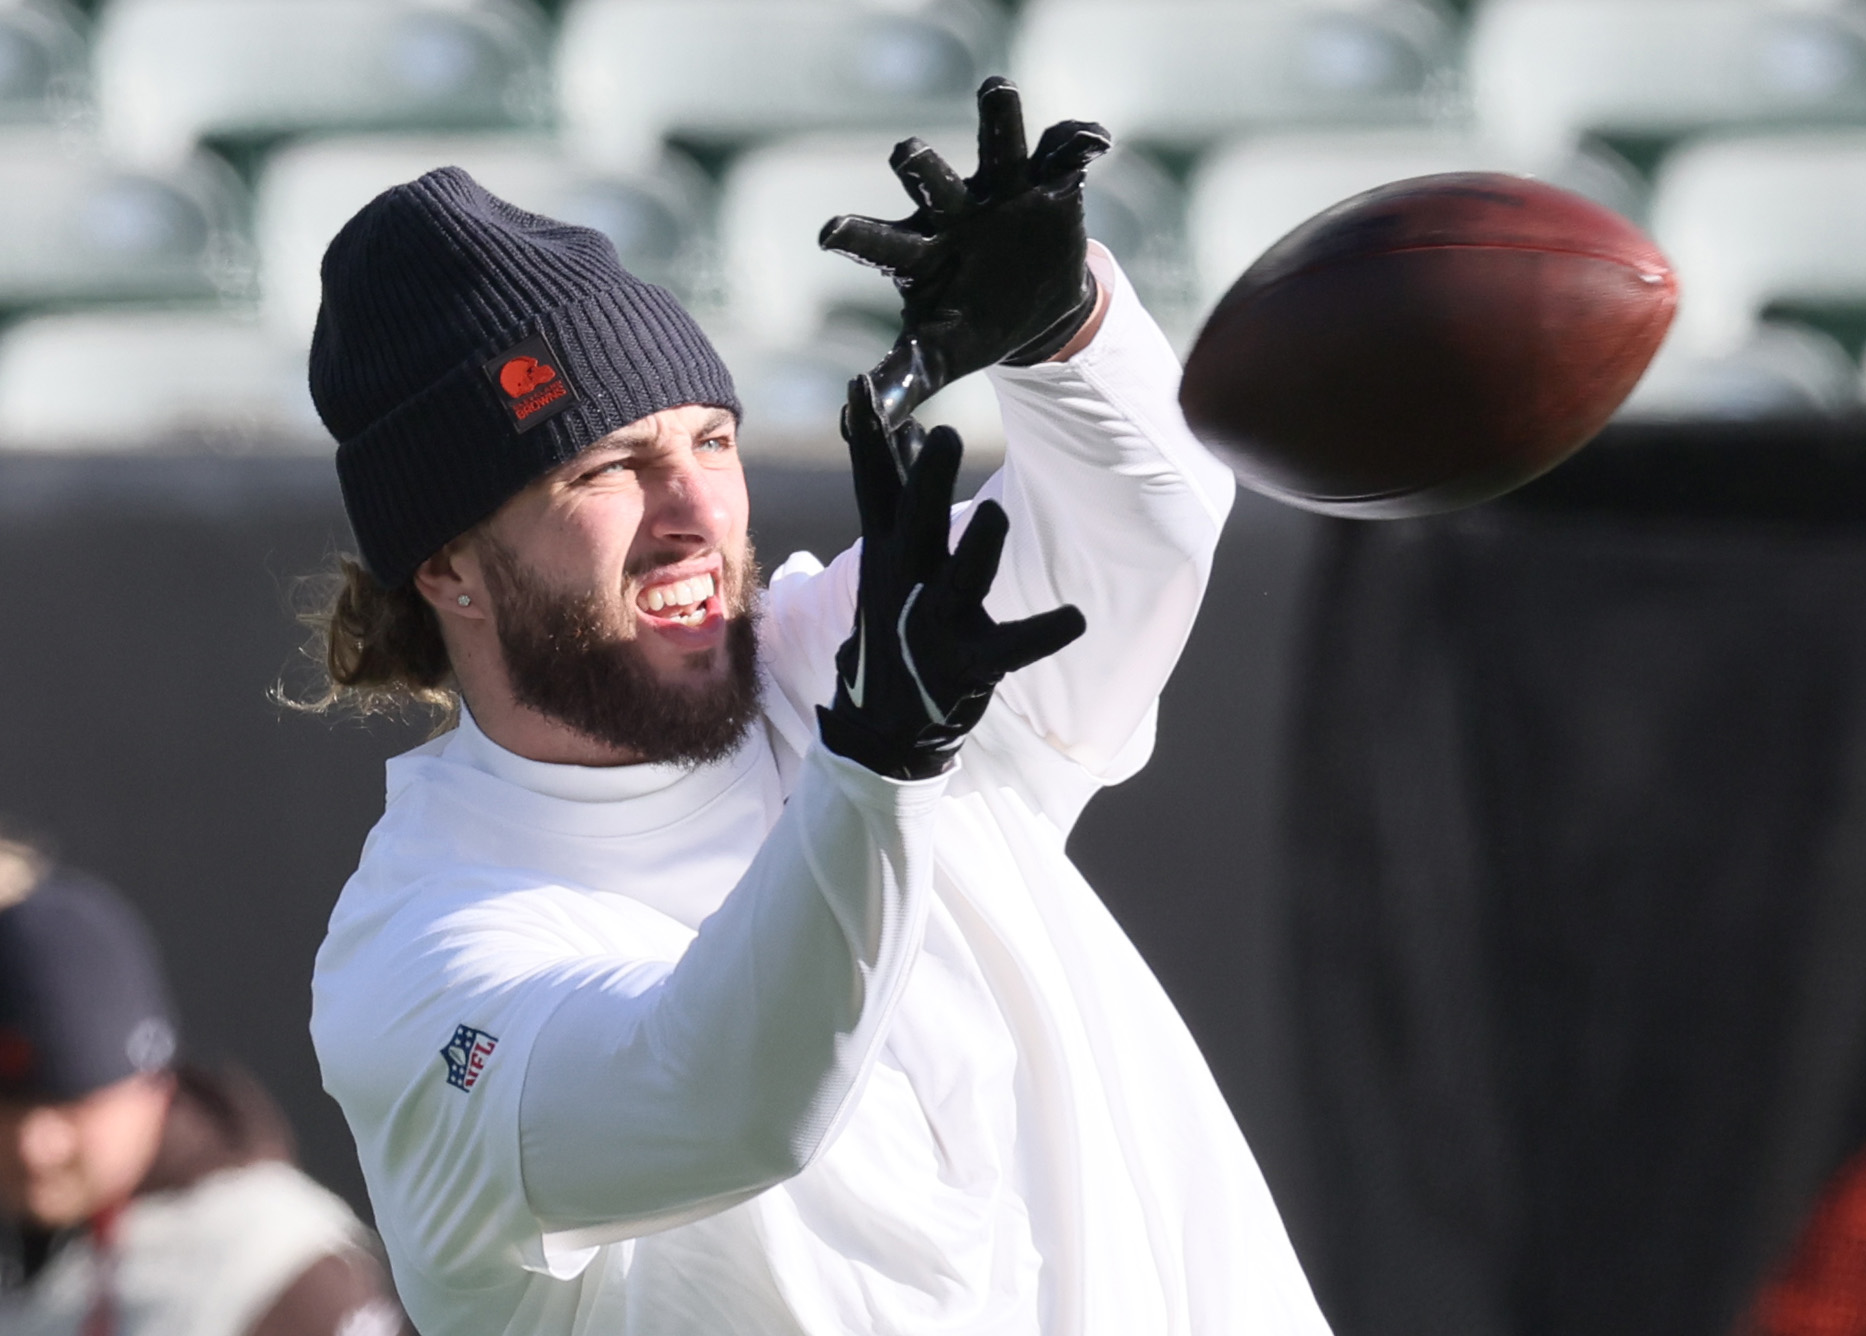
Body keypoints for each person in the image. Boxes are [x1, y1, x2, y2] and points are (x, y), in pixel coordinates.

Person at [305, 79, 1331, 1335]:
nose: (694, 513)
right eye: (606, 467)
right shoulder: (420, 959)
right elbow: (725, 1100)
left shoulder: (833, 654)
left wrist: (1066, 335)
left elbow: (1149, 523)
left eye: (713, 441)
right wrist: (882, 766)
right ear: (447, 565)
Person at [0, 837, 409, 1336]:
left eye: (69, 1102)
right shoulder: (31, 1245)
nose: (33, 1144)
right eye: (8, 1105)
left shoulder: (275, 1263)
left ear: (150, 1082)